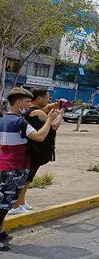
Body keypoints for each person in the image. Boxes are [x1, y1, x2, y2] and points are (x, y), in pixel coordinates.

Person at [0, 88, 59, 251]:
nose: (28, 104)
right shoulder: (20, 122)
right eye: (27, 102)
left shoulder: (5, 119)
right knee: (4, 205)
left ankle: (2, 232)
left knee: (5, 202)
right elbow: (40, 136)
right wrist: (50, 120)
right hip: (14, 168)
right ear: (19, 103)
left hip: (6, 165)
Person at [12, 88, 63, 215]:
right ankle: (17, 204)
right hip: (34, 150)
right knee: (26, 179)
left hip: (31, 149)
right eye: (47, 98)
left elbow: (46, 108)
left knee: (28, 178)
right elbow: (54, 126)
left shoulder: (31, 110)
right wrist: (60, 114)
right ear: (39, 98)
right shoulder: (37, 112)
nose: (48, 100)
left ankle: (21, 202)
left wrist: (55, 105)